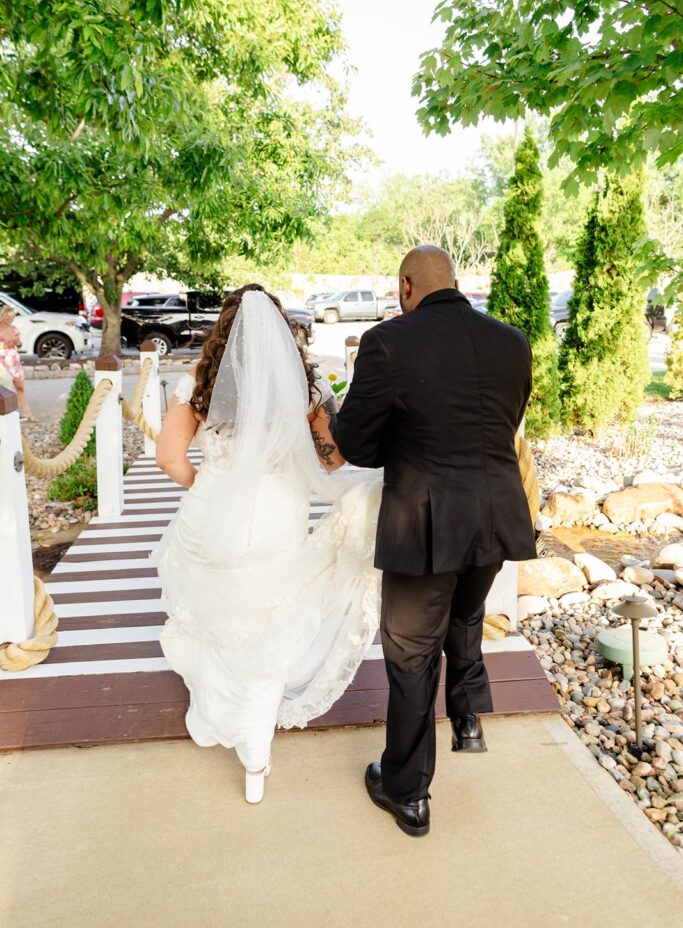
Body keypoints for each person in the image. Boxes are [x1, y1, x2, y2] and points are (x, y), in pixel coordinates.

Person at [333, 246, 536, 837]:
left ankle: (407, 791)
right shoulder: (513, 341)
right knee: (466, 609)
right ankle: (468, 717)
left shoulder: (389, 342)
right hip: (498, 515)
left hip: (424, 523)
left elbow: (360, 446)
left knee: (410, 654)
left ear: (405, 286)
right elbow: (502, 421)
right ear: (457, 281)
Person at [155, 285, 382, 805]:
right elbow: (332, 460)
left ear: (223, 332)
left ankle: (213, 714)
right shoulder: (303, 383)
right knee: (266, 626)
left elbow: (169, 457)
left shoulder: (199, 381)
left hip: (212, 511)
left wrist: (207, 486)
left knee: (215, 616)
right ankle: (255, 756)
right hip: (278, 514)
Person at [0, 304, 36, 420]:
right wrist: (3, 345)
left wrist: (17, 343)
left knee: (20, 387)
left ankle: (28, 413)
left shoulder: (14, 329)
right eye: (8, 317)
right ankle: (10, 412)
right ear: (3, 316)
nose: (11, 319)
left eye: (12, 317)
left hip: (13, 359)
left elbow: (20, 344)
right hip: (2, 359)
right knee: (6, 386)